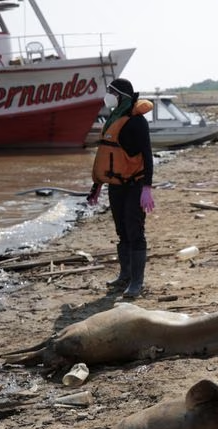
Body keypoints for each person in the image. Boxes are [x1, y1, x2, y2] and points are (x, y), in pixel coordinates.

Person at [90, 78, 155, 299]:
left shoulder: (137, 122)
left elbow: (147, 155)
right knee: (122, 231)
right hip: (116, 186)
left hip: (135, 185)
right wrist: (97, 186)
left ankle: (137, 282)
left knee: (135, 231)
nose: (108, 95)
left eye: (111, 92)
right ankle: (125, 275)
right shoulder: (113, 118)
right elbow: (105, 157)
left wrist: (147, 186)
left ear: (122, 96)